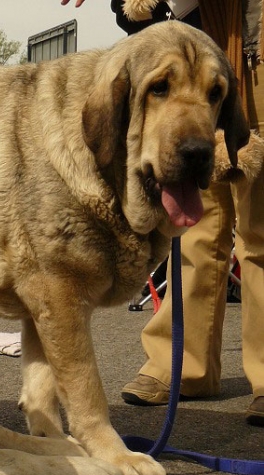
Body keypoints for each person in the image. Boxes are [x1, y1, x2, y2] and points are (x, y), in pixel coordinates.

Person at [61, 0, 264, 425]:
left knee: (260, 226)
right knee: (193, 225)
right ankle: (184, 366)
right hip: (200, 38)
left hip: (254, 40)